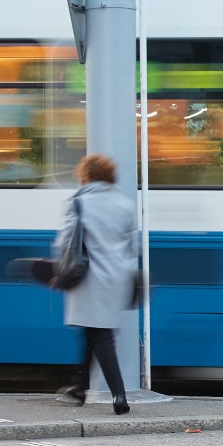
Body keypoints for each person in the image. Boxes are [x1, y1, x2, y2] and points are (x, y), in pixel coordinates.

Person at [54, 153, 139, 415]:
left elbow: (65, 242)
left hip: (89, 278)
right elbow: (133, 247)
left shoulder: (80, 203)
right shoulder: (125, 204)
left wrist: (58, 269)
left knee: (101, 336)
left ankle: (119, 396)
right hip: (117, 277)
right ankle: (80, 388)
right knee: (93, 332)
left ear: (86, 175)